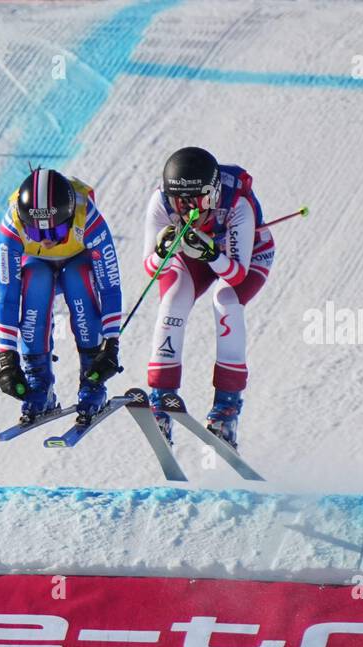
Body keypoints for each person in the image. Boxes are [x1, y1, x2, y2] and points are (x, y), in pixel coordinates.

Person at [141, 146, 275, 449]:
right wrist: (164, 251)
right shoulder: (160, 201)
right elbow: (149, 265)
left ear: (213, 193)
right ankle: (161, 401)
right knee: (173, 299)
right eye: (180, 201)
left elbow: (237, 274)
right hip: (197, 255)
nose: (188, 208)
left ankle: (226, 410)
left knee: (226, 302)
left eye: (196, 200)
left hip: (245, 257)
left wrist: (212, 253)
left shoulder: (237, 203)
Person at [0, 167, 124, 426]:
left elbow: (109, 286)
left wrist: (111, 344)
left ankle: (92, 379)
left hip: (77, 263)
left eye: (55, 232)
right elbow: (7, 296)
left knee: (78, 277)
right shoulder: (12, 225)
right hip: (37, 265)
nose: (48, 240)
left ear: (69, 217)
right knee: (35, 278)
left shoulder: (86, 216)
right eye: (37, 233)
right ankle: (39, 381)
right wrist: (7, 357)